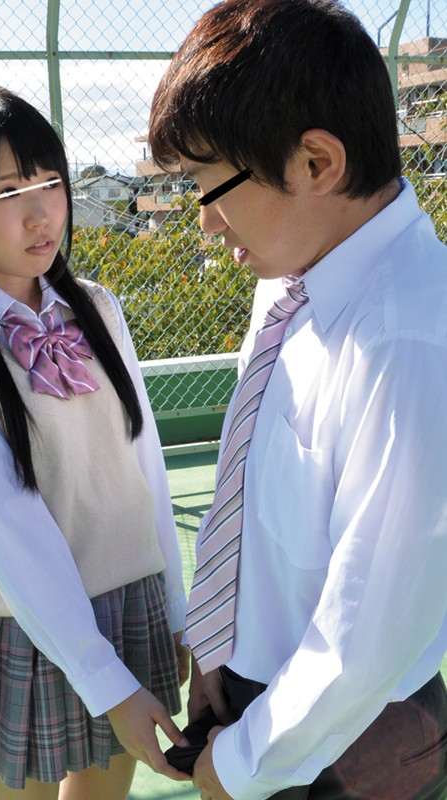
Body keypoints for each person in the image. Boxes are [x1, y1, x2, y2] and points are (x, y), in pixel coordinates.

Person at [148, 1, 447, 798]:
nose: (206, 222)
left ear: (316, 163)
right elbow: (245, 477)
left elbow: (369, 626)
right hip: (265, 694)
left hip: (353, 734)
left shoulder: (411, 335)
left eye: (211, 185)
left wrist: (242, 764)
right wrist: (217, 650)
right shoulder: (291, 278)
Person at [0, 85, 191, 800]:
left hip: (125, 603)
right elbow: (7, 520)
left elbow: (145, 469)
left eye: (50, 183)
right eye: (7, 191)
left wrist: (181, 616)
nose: (41, 214)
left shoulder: (98, 307)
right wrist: (103, 677)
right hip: (18, 620)